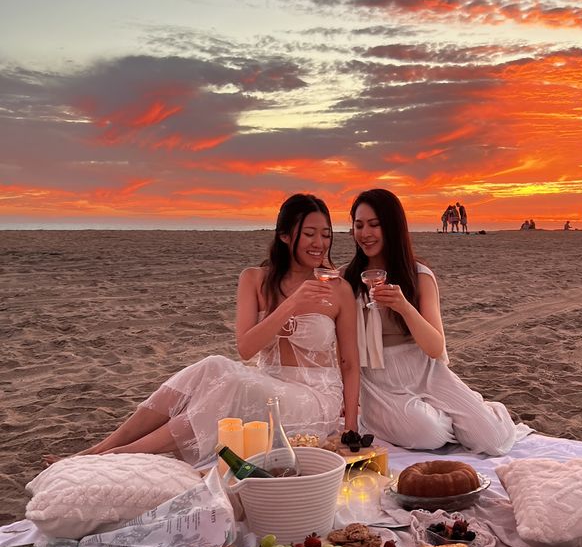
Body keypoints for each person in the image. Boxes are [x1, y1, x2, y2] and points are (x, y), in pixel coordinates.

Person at [46, 194, 360, 468]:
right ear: (285, 236)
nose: (320, 244)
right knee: (213, 367)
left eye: (326, 235)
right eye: (309, 234)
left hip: (315, 399)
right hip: (266, 383)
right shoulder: (253, 279)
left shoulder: (339, 289)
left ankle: (114, 456)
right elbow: (246, 349)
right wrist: (290, 305)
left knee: (227, 380)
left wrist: (350, 429)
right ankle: (99, 448)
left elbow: (349, 363)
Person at [343, 188, 525, 455]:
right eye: (359, 225)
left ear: (392, 227)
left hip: (426, 370)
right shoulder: (346, 280)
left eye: (374, 224)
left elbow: (435, 348)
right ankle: (440, 418)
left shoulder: (418, 276)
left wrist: (404, 307)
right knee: (428, 434)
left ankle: (480, 411)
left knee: (494, 441)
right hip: (380, 379)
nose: (365, 233)